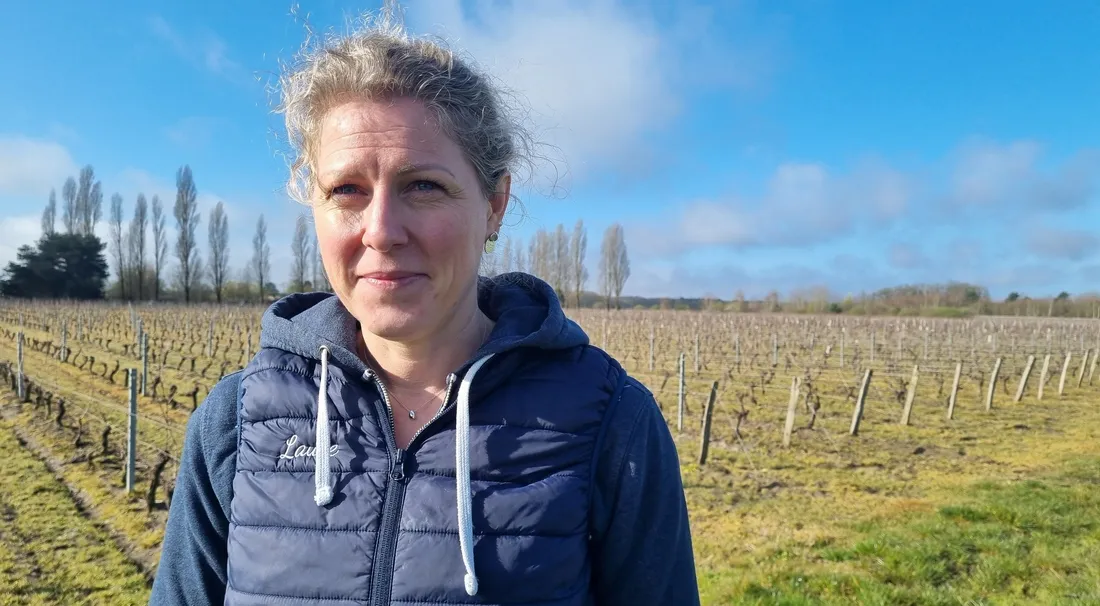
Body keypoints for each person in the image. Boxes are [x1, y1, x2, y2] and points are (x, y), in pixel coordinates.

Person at [148, 9, 698, 606]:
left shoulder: (611, 423)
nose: (381, 231)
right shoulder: (237, 421)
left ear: (494, 205)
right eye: (347, 190)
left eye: (423, 186)